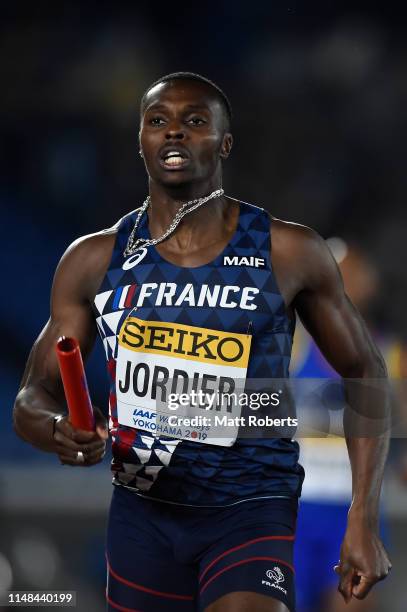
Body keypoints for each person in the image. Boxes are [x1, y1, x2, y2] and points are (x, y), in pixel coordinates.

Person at [13, 72, 391, 612]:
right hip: (145, 514)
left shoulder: (286, 252)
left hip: (251, 507)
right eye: (158, 122)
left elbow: (365, 371)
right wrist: (57, 431)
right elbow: (31, 398)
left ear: (225, 142)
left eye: (194, 122)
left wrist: (363, 517)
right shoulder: (94, 261)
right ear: (140, 139)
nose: (173, 134)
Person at [291, 241, 398, 612]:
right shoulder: (291, 344)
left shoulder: (393, 355)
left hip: (355, 510)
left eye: (353, 274)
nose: (344, 282)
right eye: (338, 273)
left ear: (370, 284)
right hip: (293, 507)